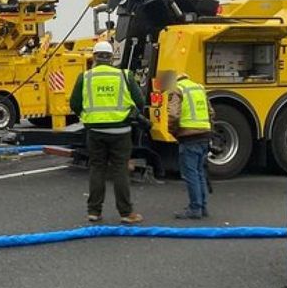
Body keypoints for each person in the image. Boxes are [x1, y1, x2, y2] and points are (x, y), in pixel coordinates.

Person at [69, 41, 145, 224]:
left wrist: (88, 117)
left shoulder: (85, 77)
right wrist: (129, 115)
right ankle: (126, 213)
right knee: (120, 170)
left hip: (95, 131)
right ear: (112, 58)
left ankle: (94, 211)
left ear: (94, 57)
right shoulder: (124, 76)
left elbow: (75, 104)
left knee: (97, 168)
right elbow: (140, 102)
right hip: (121, 131)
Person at [163, 71, 215, 219]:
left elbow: (173, 115)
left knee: (190, 173)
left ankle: (195, 208)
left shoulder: (177, 89)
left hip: (189, 137)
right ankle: (203, 206)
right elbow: (211, 112)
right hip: (204, 135)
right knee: (199, 172)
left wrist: (173, 132)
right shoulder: (198, 88)